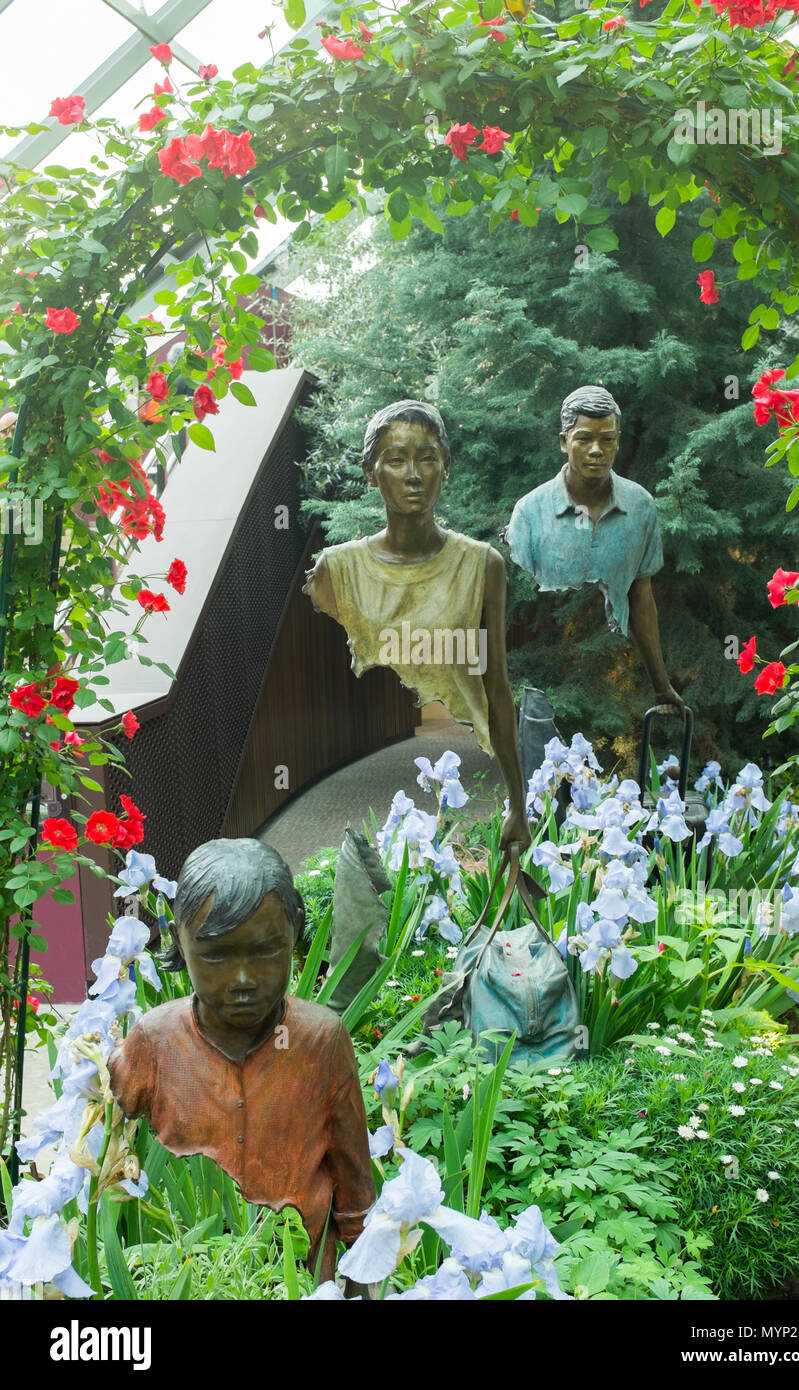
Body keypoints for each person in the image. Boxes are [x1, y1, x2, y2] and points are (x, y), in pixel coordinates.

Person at [108, 838, 377, 1288]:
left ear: (295, 932)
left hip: (306, 1281)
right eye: (215, 955)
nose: (243, 979)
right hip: (186, 1282)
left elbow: (355, 1194)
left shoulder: (321, 1042)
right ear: (179, 940)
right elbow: (107, 1161)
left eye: (267, 951)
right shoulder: (150, 1045)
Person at [304, 399, 532, 852]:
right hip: (365, 798)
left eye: (427, 458)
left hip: (464, 787)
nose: (413, 475)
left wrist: (518, 804)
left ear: (445, 467)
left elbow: (498, 688)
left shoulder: (481, 565)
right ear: (371, 472)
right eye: (395, 459)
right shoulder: (336, 572)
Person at [505, 385, 685, 717]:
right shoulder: (529, 513)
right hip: (541, 693)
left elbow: (641, 597)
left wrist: (661, 685)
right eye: (584, 439)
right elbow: (513, 605)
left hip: (620, 692)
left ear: (618, 441)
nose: (596, 450)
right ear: (564, 442)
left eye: (607, 439)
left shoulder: (641, 506)